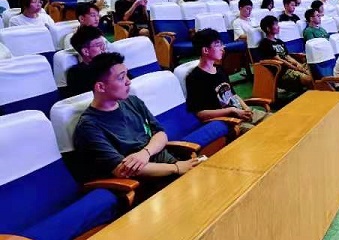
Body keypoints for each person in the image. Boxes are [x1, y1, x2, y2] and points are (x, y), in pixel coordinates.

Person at [74, 52, 202, 183]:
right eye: (121, 78)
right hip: (147, 183)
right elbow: (122, 169)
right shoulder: (89, 126)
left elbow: (160, 134)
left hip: (171, 166)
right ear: (101, 87)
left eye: (127, 75)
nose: (128, 81)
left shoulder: (133, 101)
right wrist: (175, 168)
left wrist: (146, 153)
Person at [186, 29, 269, 134]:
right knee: (262, 133)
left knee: (274, 121)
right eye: (217, 45)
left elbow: (233, 94)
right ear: (205, 50)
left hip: (241, 112)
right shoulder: (194, 78)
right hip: (228, 121)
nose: (222, 48)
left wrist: (246, 108)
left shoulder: (220, 69)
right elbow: (200, 114)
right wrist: (232, 110)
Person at [258, 16, 312, 92]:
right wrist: (295, 68)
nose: (278, 27)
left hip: (291, 67)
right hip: (282, 71)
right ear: (268, 28)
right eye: (275, 25)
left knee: (314, 71)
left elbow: (287, 56)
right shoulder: (265, 43)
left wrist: (298, 64)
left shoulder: (279, 41)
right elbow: (279, 60)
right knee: (309, 79)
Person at [65, 26, 107, 98]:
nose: (103, 48)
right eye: (99, 45)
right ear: (86, 51)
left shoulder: (113, 63)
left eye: (103, 44)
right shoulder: (76, 73)